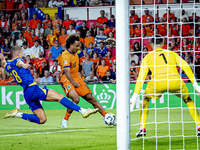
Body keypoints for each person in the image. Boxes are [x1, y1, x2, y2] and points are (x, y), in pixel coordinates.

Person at [2, 46, 98, 124]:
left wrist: (2, 57)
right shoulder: (18, 60)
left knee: (42, 119)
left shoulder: (8, 66)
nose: (23, 55)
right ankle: (83, 111)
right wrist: (23, 65)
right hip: (32, 88)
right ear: (17, 54)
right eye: (22, 53)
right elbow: (19, 62)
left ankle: (17, 114)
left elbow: (4, 63)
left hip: (27, 93)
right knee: (60, 97)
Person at [130, 35, 200, 137]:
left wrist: (134, 97)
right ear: (163, 43)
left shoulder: (147, 57)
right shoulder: (172, 53)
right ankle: (199, 126)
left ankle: (142, 128)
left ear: (151, 44)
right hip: (175, 81)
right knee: (188, 99)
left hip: (157, 83)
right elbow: (185, 66)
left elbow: (141, 78)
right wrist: (196, 86)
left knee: (145, 98)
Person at [58, 34, 111, 128]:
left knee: (91, 97)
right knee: (76, 99)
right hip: (66, 79)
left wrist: (79, 80)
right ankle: (65, 121)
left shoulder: (76, 55)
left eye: (79, 46)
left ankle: (106, 116)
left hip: (77, 78)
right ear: (71, 45)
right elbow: (66, 72)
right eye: (77, 46)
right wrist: (73, 83)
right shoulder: (65, 55)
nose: (79, 48)